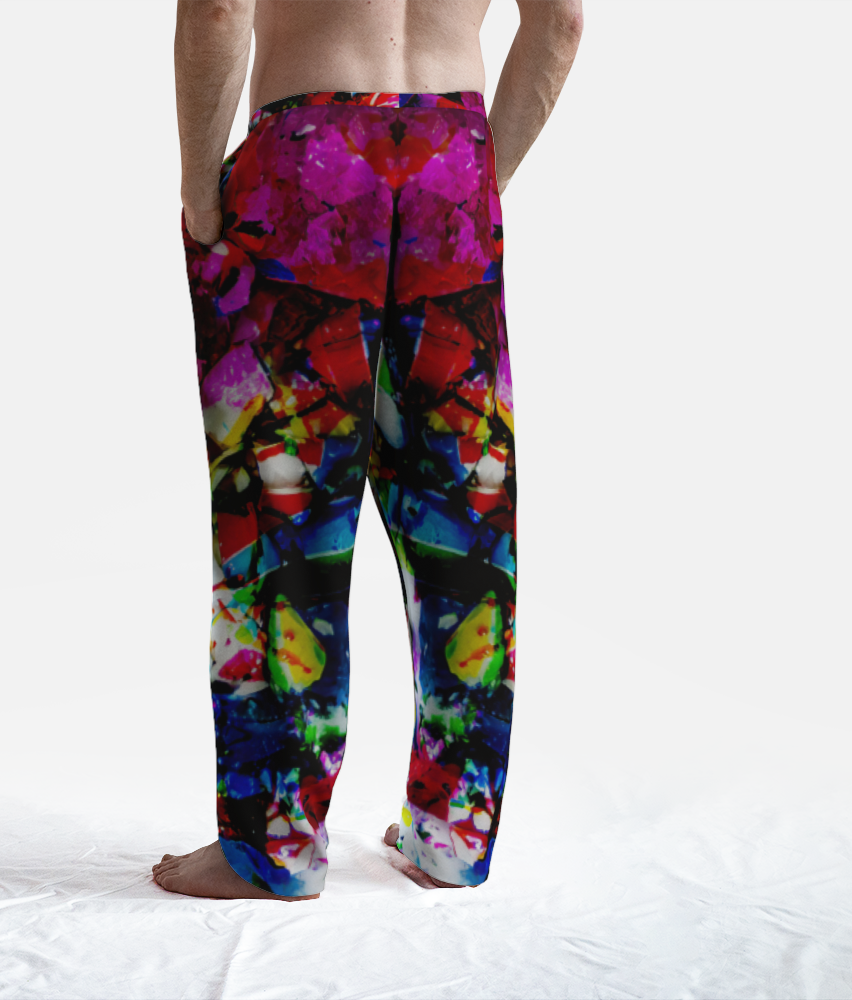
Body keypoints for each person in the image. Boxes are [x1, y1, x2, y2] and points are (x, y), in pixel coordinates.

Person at [155, 0, 583, 901]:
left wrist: (200, 195)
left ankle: (273, 845)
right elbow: (562, 23)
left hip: (306, 158)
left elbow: (220, 7)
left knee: (285, 502)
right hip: (454, 156)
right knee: (464, 504)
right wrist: (477, 177)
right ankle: (453, 832)